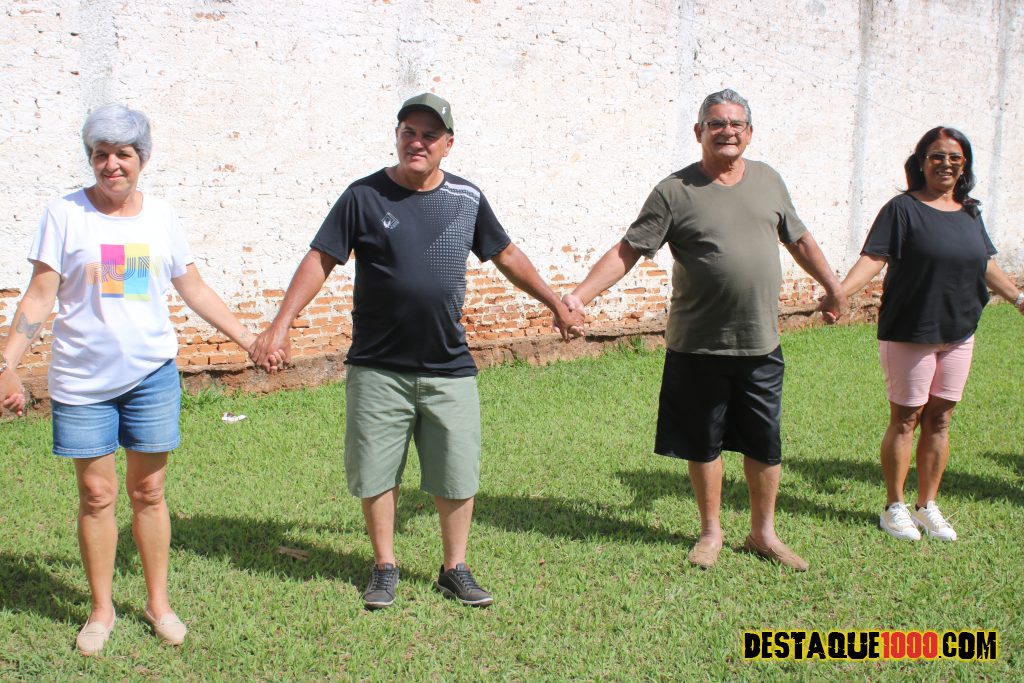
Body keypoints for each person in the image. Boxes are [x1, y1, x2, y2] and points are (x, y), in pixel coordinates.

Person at [251, 93, 582, 609]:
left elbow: (505, 254)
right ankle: (385, 565)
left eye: (430, 135)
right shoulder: (363, 196)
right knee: (376, 470)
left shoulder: (466, 198)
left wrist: (556, 303)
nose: (418, 142)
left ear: (448, 144)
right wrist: (281, 324)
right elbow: (321, 258)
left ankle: (455, 568)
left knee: (456, 471)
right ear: (397, 136)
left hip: (449, 364)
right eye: (409, 131)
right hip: (377, 366)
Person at [0, 104, 280, 655]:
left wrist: (249, 339)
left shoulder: (161, 217)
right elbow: (39, 295)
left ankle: (158, 604)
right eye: (100, 154)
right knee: (96, 495)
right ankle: (101, 610)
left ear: (142, 159)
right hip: (82, 381)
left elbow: (192, 287)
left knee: (149, 492)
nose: (111, 164)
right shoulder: (64, 214)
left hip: (151, 376)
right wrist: (7, 363)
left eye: (122, 154)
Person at [563, 89, 846, 571]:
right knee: (704, 442)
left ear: (749, 132)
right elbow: (629, 249)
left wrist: (833, 287)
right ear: (699, 132)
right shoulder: (674, 191)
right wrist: (579, 296)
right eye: (716, 124)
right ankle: (711, 532)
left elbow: (799, 239)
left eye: (736, 124)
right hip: (698, 344)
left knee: (764, 443)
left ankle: (763, 534)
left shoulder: (769, 180)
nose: (727, 131)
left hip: (760, 342)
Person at [837, 126, 1024, 542]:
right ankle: (894, 507)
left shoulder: (969, 211)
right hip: (911, 330)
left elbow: (986, 262)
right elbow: (874, 257)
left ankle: (927, 506)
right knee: (906, 418)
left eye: (955, 158)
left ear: (964, 165)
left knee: (940, 418)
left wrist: (1018, 297)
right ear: (921, 162)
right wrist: (840, 294)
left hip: (959, 329)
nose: (946, 164)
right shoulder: (902, 209)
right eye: (937, 156)